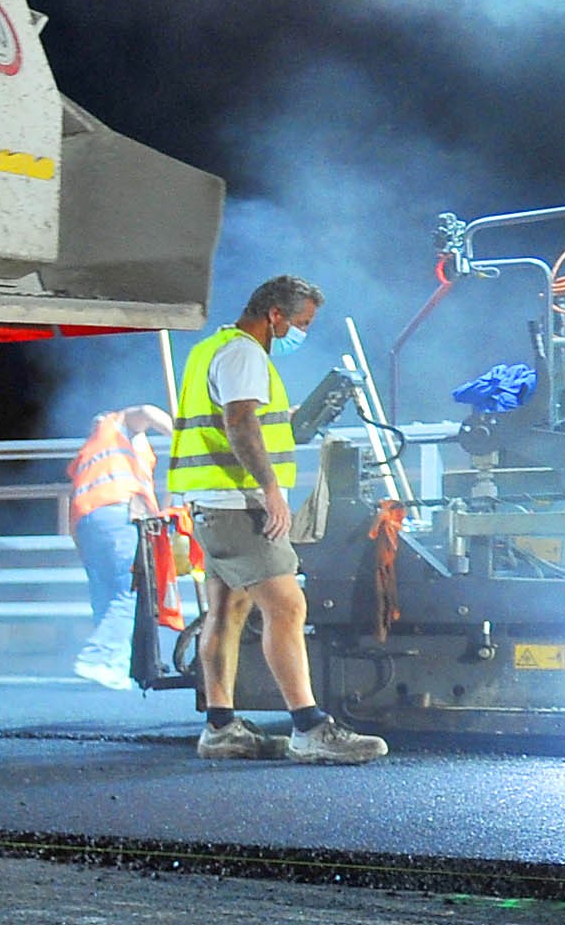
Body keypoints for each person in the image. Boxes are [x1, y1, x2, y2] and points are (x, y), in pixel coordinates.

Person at [171, 276, 384, 763]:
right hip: (237, 504)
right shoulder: (245, 353)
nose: (300, 332)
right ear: (275, 315)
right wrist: (271, 489)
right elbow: (240, 421)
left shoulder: (213, 348)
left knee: (226, 612)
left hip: (211, 504)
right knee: (287, 607)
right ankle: (309, 727)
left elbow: (239, 419)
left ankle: (220, 727)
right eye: (301, 323)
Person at [67, 405, 171, 690]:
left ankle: (113, 666)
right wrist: (181, 438)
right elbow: (148, 412)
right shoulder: (118, 425)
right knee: (129, 593)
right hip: (118, 514)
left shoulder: (88, 455)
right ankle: (97, 658)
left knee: (106, 595)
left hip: (88, 523)